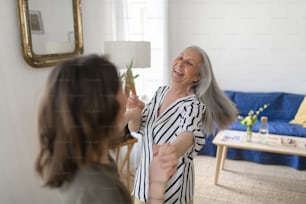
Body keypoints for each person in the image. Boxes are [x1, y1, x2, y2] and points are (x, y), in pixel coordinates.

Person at [35, 54, 178, 204]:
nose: (125, 98)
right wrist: (156, 184)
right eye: (121, 87)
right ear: (104, 106)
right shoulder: (101, 191)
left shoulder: (79, 160)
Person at [128, 46, 238, 204]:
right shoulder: (161, 92)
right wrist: (135, 111)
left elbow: (188, 134)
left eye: (189, 63)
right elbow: (136, 127)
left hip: (171, 192)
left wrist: (170, 152)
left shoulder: (193, 105)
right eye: (180, 57)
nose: (180, 63)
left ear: (197, 77)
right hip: (142, 186)